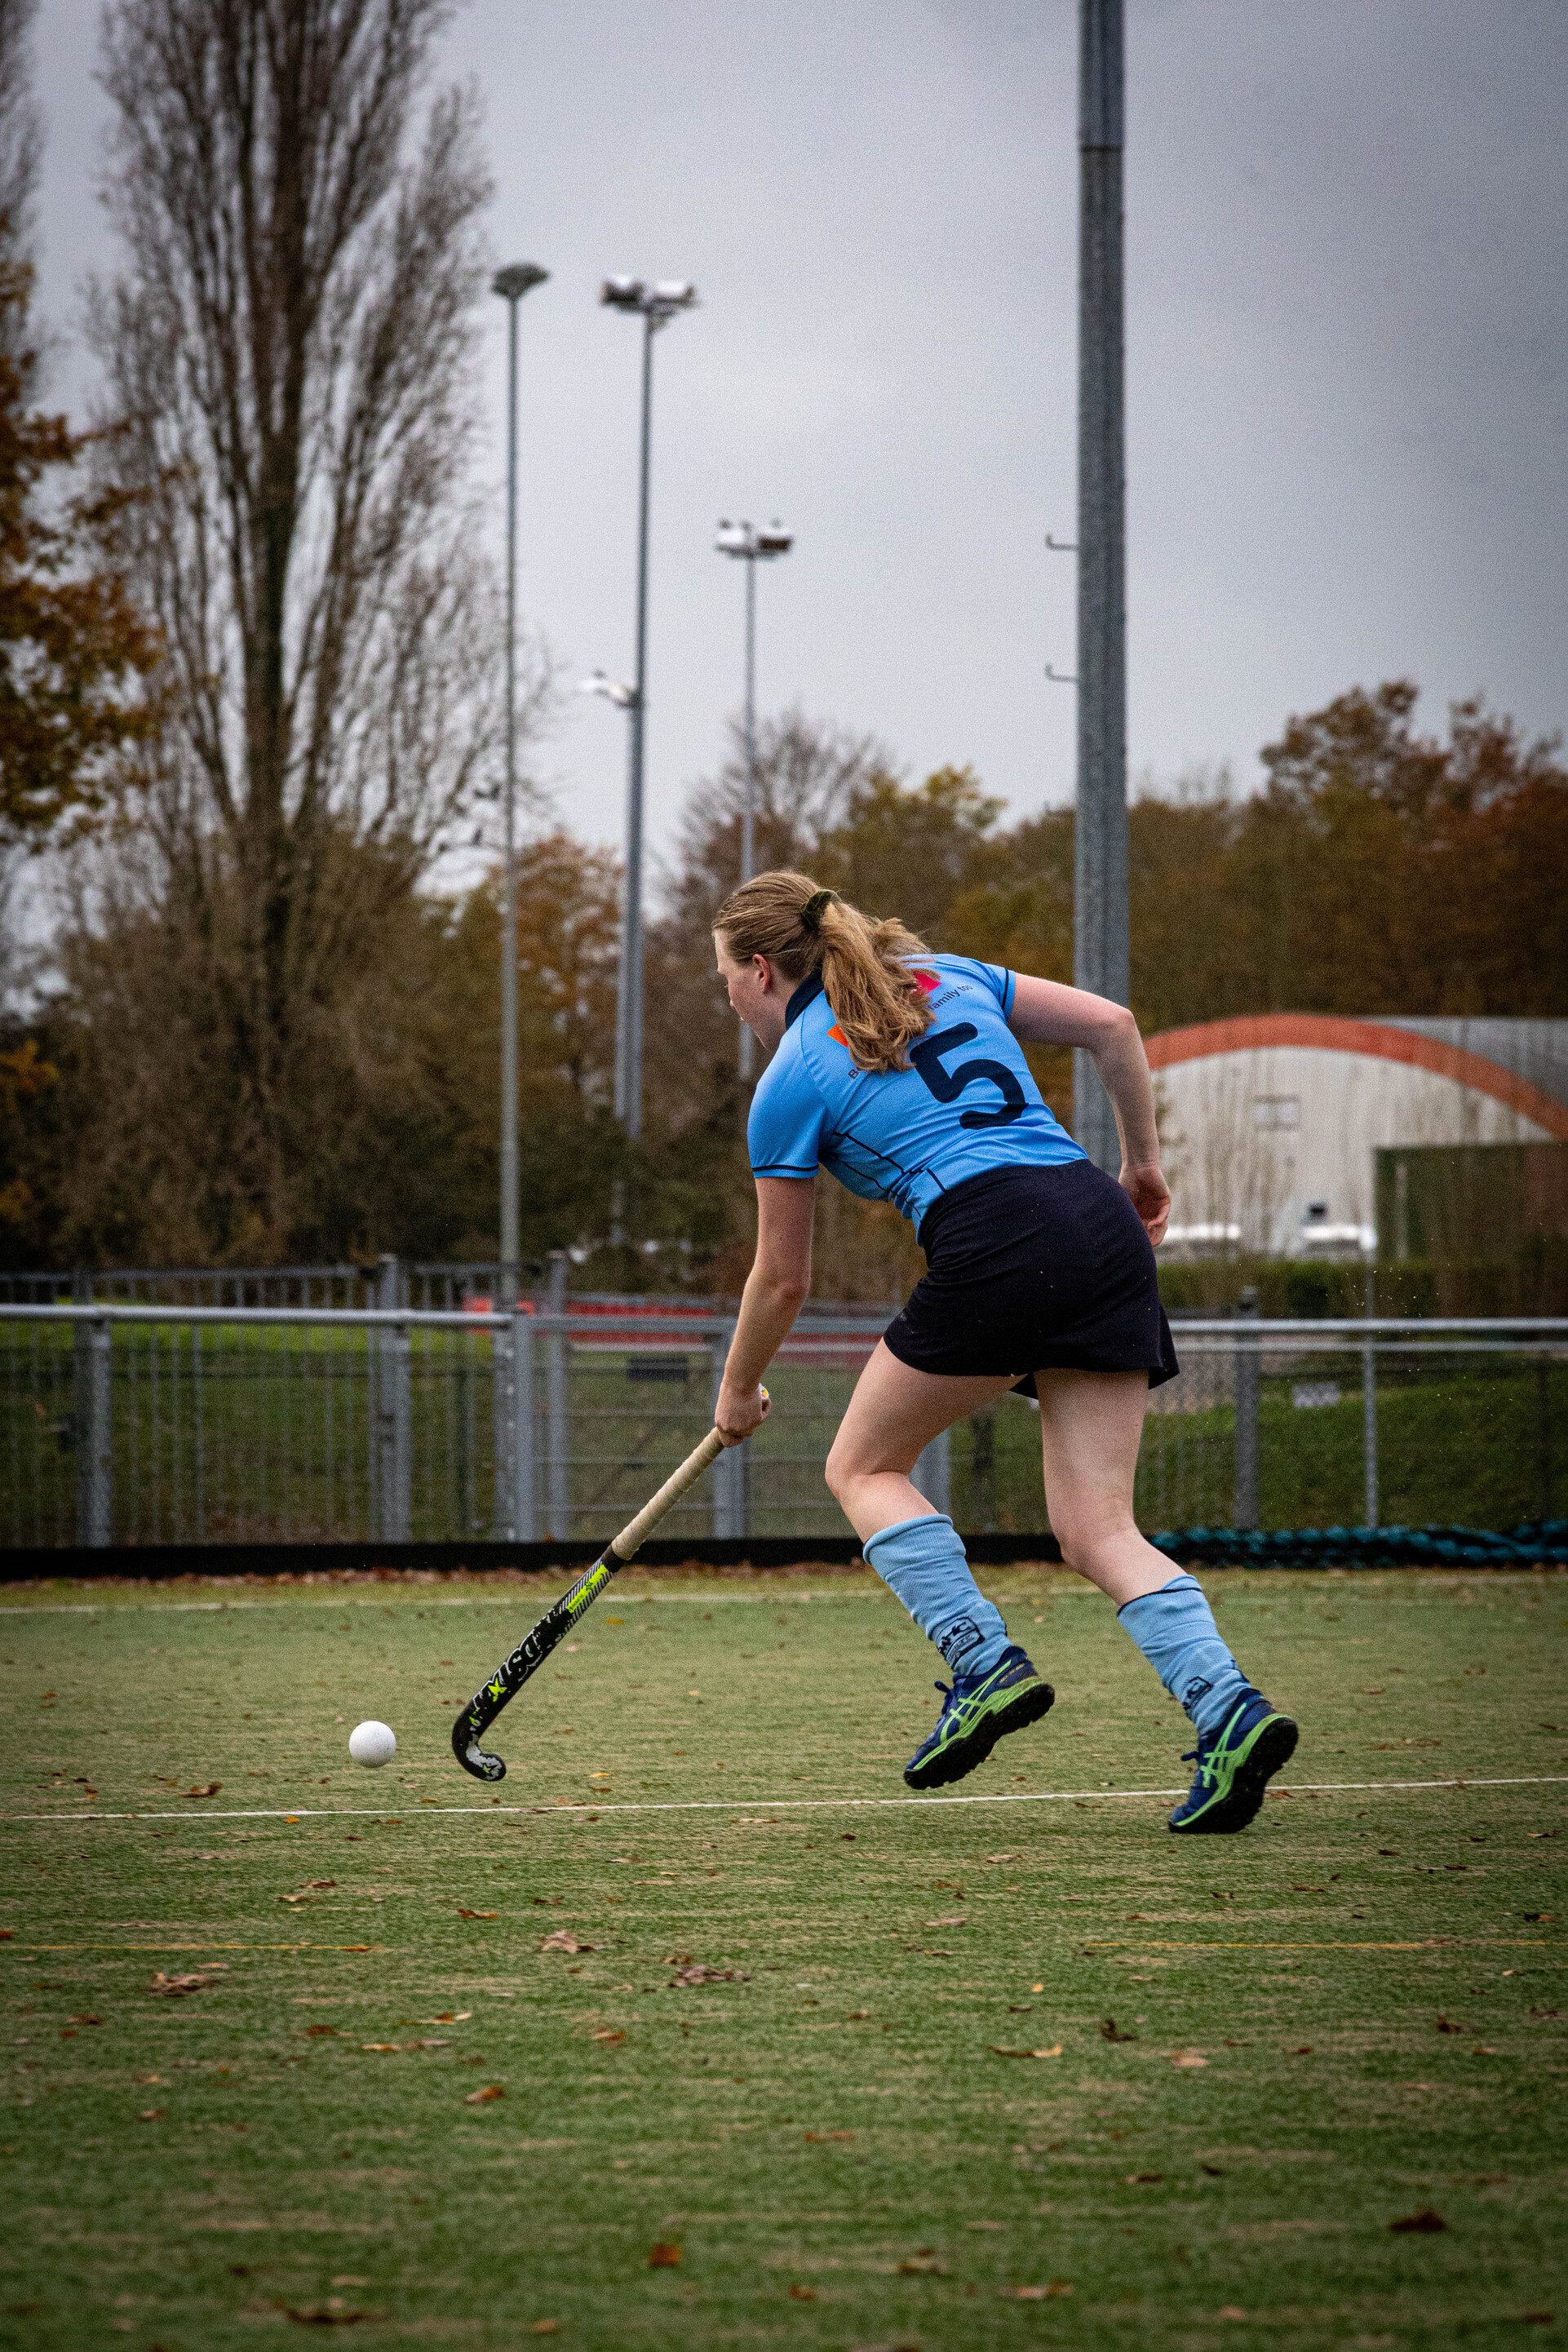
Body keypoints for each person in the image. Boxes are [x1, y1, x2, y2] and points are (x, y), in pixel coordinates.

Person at [711, 870, 1296, 1835]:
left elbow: (781, 1281)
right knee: (1096, 1528)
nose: (728, 1000)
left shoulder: (789, 1081)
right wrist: (1141, 1165)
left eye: (725, 979)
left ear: (762, 971)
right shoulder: (945, 972)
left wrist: (736, 1391)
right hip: (1096, 1223)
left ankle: (980, 1662)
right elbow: (1111, 1022)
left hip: (997, 1234)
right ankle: (1225, 1708)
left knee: (861, 1465)